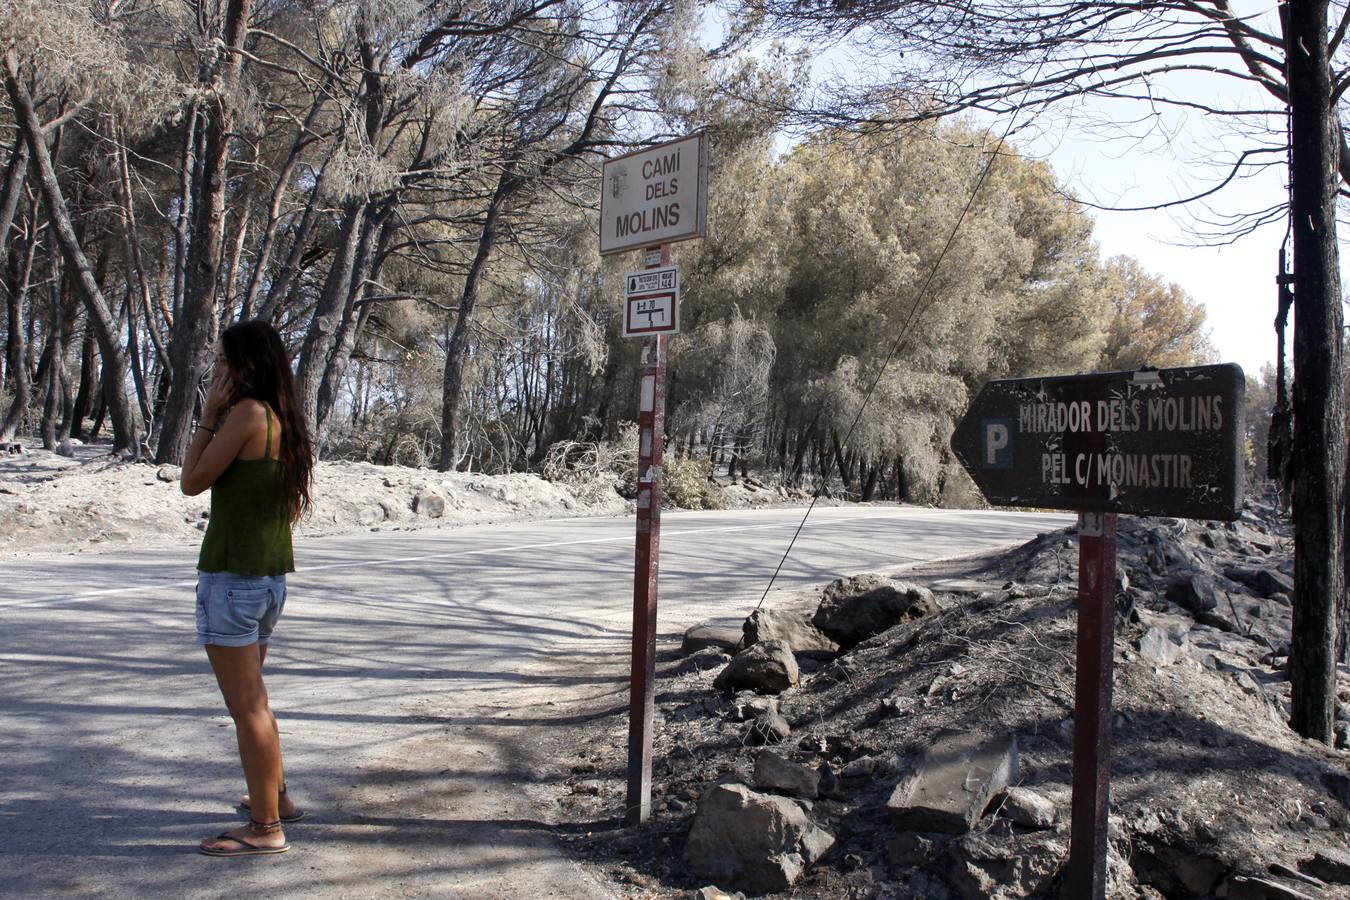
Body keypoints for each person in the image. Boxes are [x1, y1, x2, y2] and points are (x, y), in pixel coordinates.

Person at [181, 320, 313, 857]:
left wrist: (209, 417)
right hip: (264, 582)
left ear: (246, 365)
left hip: (233, 583)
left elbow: (191, 481)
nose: (219, 372)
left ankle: (264, 829)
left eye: (225, 362)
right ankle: (275, 799)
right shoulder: (282, 417)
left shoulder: (245, 415)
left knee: (248, 708)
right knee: (257, 700)